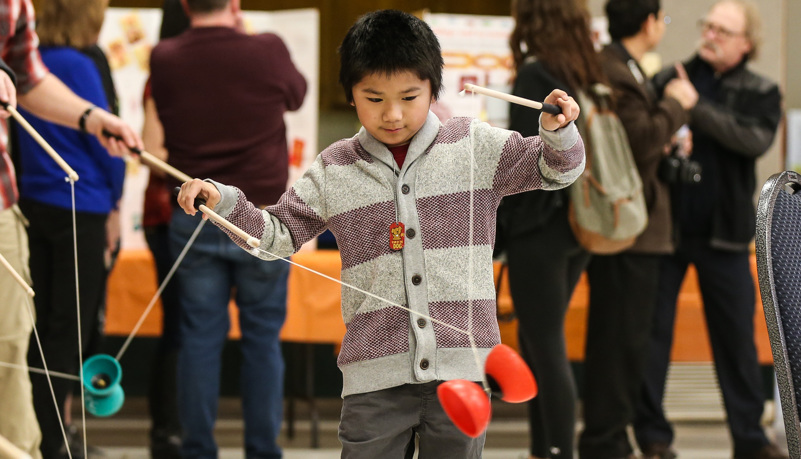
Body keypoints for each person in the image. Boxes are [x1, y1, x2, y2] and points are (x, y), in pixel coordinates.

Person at [177, 9, 584, 458]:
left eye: (409, 97)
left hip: (462, 375)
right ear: (351, 96)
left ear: (434, 89)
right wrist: (224, 202)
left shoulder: (474, 147)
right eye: (374, 98)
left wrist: (557, 131)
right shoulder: (336, 168)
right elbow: (277, 235)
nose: (392, 114)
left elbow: (556, 170)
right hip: (373, 381)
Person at [148, 0, 307, 456]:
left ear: (184, 5)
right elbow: (296, 94)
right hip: (262, 218)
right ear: (235, 4)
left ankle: (197, 449)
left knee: (197, 337)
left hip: (194, 214)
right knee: (262, 337)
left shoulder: (164, 56)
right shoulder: (267, 48)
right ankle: (262, 450)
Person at [633, 1, 785, 458]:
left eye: (724, 30)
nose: (712, 34)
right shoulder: (670, 79)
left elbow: (752, 139)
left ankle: (749, 441)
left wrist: (696, 111)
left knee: (736, 340)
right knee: (652, 336)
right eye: (709, 25)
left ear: (746, 43)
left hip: (726, 235)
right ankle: (653, 438)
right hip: (669, 231)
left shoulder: (761, 90)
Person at [0, 0, 140, 457]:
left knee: (35, 332)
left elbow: (30, 93)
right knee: (67, 331)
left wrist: (91, 119)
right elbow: (108, 154)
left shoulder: (42, 61)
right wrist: (116, 201)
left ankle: (46, 436)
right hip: (80, 209)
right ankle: (57, 437)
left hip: (31, 204)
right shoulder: (81, 63)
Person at [577, 1, 698, 458]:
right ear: (648, 22)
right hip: (627, 230)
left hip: (639, 228)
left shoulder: (623, 67)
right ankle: (604, 441)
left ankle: (612, 437)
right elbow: (639, 141)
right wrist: (676, 106)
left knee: (629, 343)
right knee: (618, 343)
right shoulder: (615, 70)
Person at [500, 0, 605, 457]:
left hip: (538, 228)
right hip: (578, 225)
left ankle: (557, 450)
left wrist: (497, 236)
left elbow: (522, 166)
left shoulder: (536, 75)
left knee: (544, 345)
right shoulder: (584, 68)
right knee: (541, 340)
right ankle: (544, 450)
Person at [140, 1, 190, 457]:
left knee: (182, 325)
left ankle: (173, 431)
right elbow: (152, 146)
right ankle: (169, 433)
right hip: (170, 211)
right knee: (180, 326)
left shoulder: (167, 70)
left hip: (175, 211)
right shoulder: (168, 73)